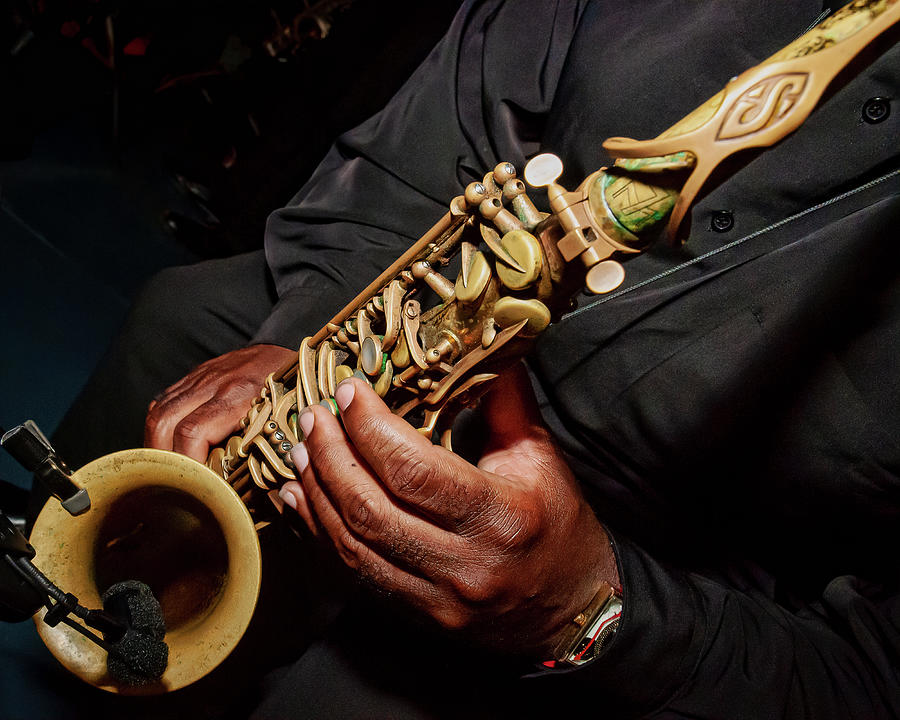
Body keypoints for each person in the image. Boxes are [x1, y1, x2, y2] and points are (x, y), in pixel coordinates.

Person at [41, 0, 899, 717]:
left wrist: (592, 607)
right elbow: (453, 120)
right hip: (435, 314)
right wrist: (310, 337)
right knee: (178, 320)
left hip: (671, 549)